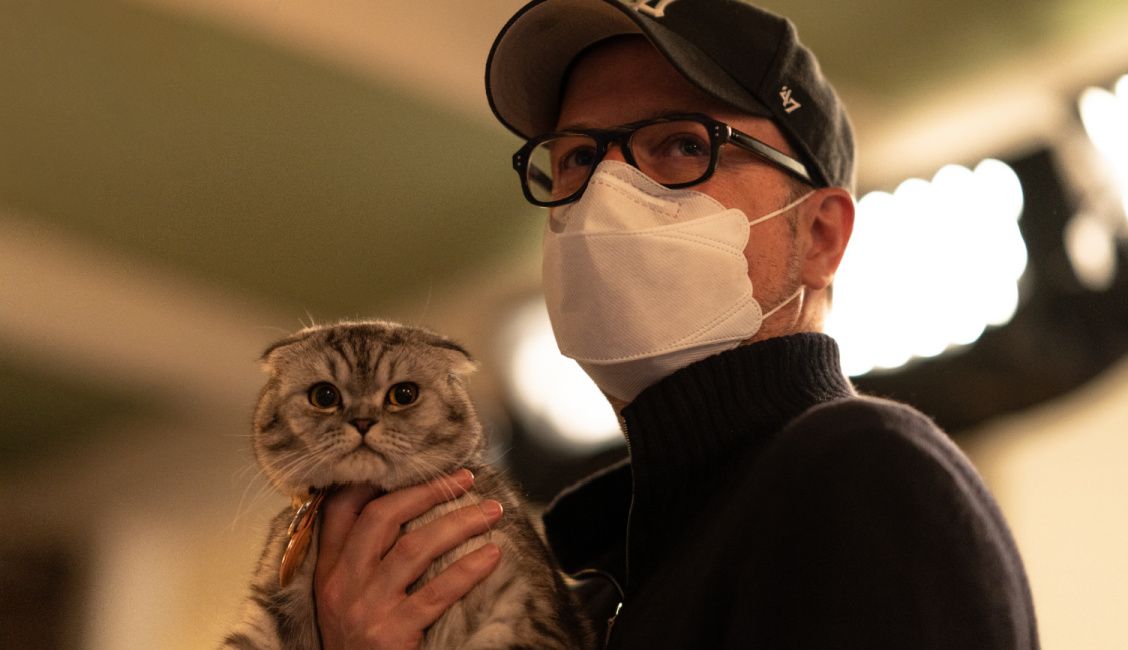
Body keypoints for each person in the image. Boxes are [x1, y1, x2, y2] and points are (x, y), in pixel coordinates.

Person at [314, 1, 1041, 648]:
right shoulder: (604, 590)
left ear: (820, 235)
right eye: (576, 158)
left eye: (683, 144)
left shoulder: (861, 475)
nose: (604, 193)